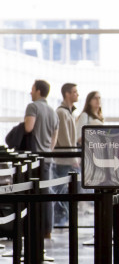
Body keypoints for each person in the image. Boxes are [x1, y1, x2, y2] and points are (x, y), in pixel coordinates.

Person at [24, 80, 59, 238]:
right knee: (47, 193)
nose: (30, 92)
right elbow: (54, 138)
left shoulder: (33, 107)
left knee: (33, 193)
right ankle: (47, 229)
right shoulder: (53, 111)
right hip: (48, 157)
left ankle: (34, 229)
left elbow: (28, 128)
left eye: (32, 89)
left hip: (35, 158)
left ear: (38, 91)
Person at [53, 83, 79, 227]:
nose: (77, 94)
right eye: (74, 92)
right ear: (67, 94)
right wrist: (73, 157)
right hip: (64, 159)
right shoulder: (62, 112)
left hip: (69, 158)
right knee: (62, 190)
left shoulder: (70, 112)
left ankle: (66, 220)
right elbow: (64, 138)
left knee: (68, 190)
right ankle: (60, 220)